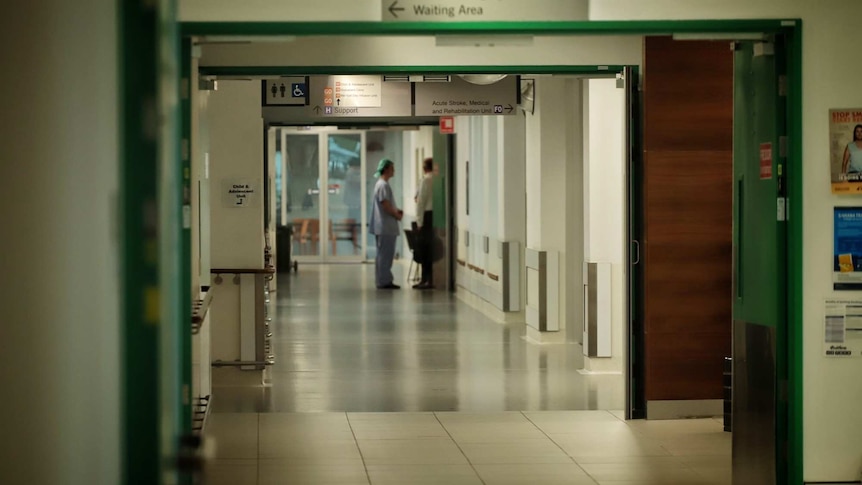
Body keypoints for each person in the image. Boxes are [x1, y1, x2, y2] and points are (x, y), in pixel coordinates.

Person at [369, 158, 403, 289]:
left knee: (382, 254)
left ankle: (382, 279)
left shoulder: (381, 184)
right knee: (385, 255)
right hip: (385, 227)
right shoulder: (383, 185)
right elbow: (385, 205)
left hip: (382, 226)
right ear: (387, 169)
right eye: (392, 168)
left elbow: (386, 204)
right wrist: (396, 214)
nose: (394, 171)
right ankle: (384, 281)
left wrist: (395, 210)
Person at [413, 157, 435, 289]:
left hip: (426, 217)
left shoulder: (425, 180)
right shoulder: (436, 179)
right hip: (434, 216)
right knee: (431, 249)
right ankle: (429, 278)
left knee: (424, 250)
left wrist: (419, 221)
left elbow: (420, 202)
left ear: (425, 168)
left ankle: (426, 278)